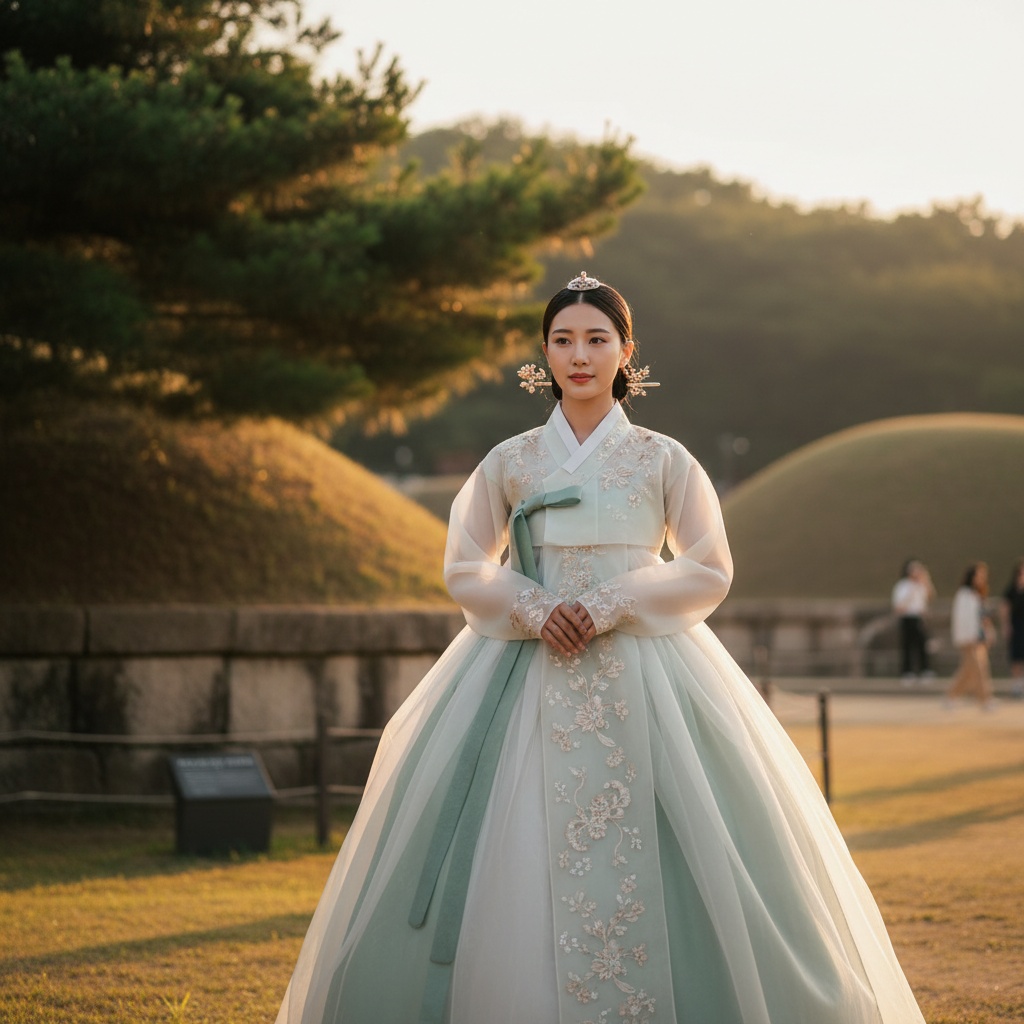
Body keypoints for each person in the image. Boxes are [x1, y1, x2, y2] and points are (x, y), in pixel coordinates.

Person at [277, 272, 925, 1024]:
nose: (578, 355)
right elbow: (464, 566)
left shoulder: (661, 458)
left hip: (648, 669)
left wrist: (612, 602)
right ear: (543, 354)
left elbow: (709, 566)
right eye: (562, 340)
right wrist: (533, 604)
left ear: (626, 353)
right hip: (522, 667)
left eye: (596, 339)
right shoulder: (510, 460)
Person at [947, 561, 996, 710]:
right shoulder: (964, 595)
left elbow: (983, 619)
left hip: (979, 638)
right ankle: (984, 699)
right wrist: (971, 637)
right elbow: (964, 619)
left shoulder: (978, 595)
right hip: (969, 639)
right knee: (978, 669)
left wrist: (988, 633)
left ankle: (951, 696)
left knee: (969, 671)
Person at [891, 559, 935, 683]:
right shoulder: (902, 585)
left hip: (919, 618)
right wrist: (910, 594)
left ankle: (925, 670)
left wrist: (926, 580)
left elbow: (930, 595)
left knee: (922, 644)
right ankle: (907, 672)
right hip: (907, 618)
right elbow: (898, 606)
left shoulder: (921, 585)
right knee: (907, 645)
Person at [1000, 557, 1024, 698]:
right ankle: (1016, 684)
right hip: (1016, 625)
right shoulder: (1012, 589)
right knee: (1016, 655)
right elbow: (1005, 607)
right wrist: (1006, 625)